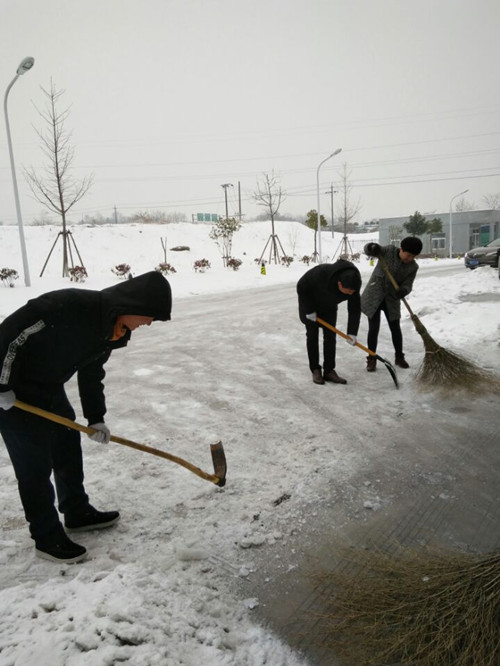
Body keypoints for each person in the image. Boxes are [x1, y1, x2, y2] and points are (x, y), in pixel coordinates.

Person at [0, 271, 172, 563]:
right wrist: (2, 385)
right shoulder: (69, 306)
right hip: (11, 394)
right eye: (149, 316)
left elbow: (92, 373)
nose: (148, 323)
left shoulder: (112, 329)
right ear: (133, 304)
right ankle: (46, 537)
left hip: (46, 386)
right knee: (34, 466)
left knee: (66, 445)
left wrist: (96, 418)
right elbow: (10, 336)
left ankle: (76, 510)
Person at [361, 236, 423, 372]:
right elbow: (369, 251)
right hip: (374, 295)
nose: (409, 258)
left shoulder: (413, 267)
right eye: (408, 255)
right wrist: (371, 247)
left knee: (395, 327)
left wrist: (404, 290)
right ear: (401, 249)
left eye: (413, 256)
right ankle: (371, 358)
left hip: (392, 298)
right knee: (373, 328)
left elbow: (408, 284)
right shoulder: (388, 251)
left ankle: (399, 357)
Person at [297, 259, 362, 385]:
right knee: (312, 335)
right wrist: (309, 310)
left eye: (352, 292)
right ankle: (315, 369)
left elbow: (354, 309)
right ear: (339, 284)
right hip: (311, 304)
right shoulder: (320, 274)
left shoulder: (354, 284)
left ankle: (329, 371)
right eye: (347, 291)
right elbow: (301, 286)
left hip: (329, 307)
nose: (350, 294)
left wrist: (352, 332)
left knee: (330, 337)